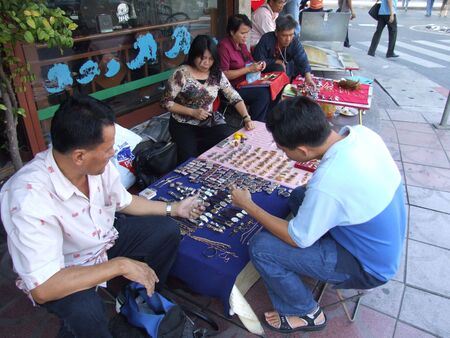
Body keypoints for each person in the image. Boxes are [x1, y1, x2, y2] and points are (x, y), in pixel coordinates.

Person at [0, 95, 204, 338]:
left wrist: (173, 208)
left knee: (166, 230)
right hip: (64, 269)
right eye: (108, 149)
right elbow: (43, 287)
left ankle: (139, 297)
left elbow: (124, 201)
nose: (113, 154)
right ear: (79, 156)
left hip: (103, 240)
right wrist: (120, 265)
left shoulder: (97, 166)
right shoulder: (27, 197)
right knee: (87, 312)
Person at [230, 96, 406, 334]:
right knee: (299, 195)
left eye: (283, 150)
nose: (282, 154)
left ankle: (306, 312)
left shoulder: (329, 181)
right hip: (381, 243)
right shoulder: (362, 134)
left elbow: (297, 239)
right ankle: (313, 257)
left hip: (368, 267)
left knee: (262, 247)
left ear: (303, 150)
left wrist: (248, 205)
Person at [161, 35, 255, 164]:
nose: (206, 63)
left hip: (208, 121)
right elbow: (166, 102)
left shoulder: (216, 74)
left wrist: (246, 118)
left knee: (230, 142)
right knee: (189, 161)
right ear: (194, 55)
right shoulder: (181, 74)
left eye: (210, 59)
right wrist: (192, 112)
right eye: (202, 58)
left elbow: (233, 96)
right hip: (183, 124)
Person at [218, 14, 272, 122]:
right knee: (262, 95)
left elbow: (250, 61)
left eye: (247, 32)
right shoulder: (223, 47)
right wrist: (248, 69)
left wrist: (259, 64)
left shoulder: (241, 44)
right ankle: (255, 124)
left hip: (246, 82)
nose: (245, 36)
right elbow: (224, 75)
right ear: (232, 32)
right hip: (232, 88)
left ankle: (265, 120)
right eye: (242, 33)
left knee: (271, 86)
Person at [253, 14, 315, 86]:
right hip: (267, 71)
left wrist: (308, 77)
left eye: (291, 35)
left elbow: (302, 59)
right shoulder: (266, 39)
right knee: (278, 67)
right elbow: (258, 59)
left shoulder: (294, 42)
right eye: (284, 35)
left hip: (287, 70)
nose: (288, 39)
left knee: (298, 66)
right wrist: (276, 61)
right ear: (276, 33)